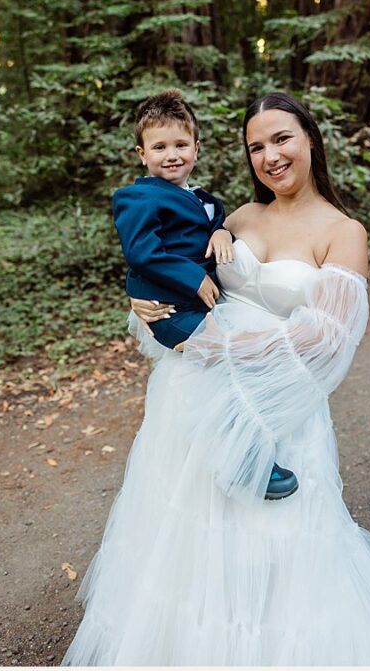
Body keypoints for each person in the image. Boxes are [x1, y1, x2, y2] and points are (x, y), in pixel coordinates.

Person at [65, 93, 370, 665]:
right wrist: (140, 296)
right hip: (192, 397)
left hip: (278, 404)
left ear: (309, 140)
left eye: (281, 139)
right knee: (192, 540)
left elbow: (328, 337)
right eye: (256, 146)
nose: (270, 156)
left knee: (277, 542)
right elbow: (178, 272)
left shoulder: (342, 230)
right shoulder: (235, 218)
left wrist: (224, 350)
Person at [110, 89, 297, 501]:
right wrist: (192, 278)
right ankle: (243, 463)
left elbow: (216, 219)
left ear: (196, 147)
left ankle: (245, 453)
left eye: (180, 144)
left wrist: (221, 231)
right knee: (226, 364)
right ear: (141, 153)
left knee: (234, 368)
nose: (171, 155)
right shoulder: (136, 197)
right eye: (159, 147)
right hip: (169, 307)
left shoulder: (204, 199)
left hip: (201, 305)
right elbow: (141, 251)